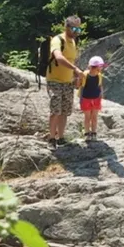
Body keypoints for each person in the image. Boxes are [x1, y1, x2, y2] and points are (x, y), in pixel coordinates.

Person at [45, 16, 85, 148]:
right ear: (66, 27)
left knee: (65, 110)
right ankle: (51, 139)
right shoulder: (58, 40)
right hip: (55, 81)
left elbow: (72, 60)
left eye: (79, 29)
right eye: (74, 29)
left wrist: (76, 76)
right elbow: (59, 57)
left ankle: (61, 137)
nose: (77, 32)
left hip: (68, 82)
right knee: (55, 110)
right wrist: (75, 69)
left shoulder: (73, 42)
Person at [79, 55, 106, 142]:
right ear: (95, 67)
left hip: (96, 98)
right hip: (86, 98)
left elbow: (100, 86)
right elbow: (80, 86)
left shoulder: (99, 75)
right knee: (87, 117)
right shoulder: (85, 75)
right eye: (100, 66)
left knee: (94, 117)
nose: (101, 68)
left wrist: (101, 95)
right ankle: (87, 133)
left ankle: (94, 133)